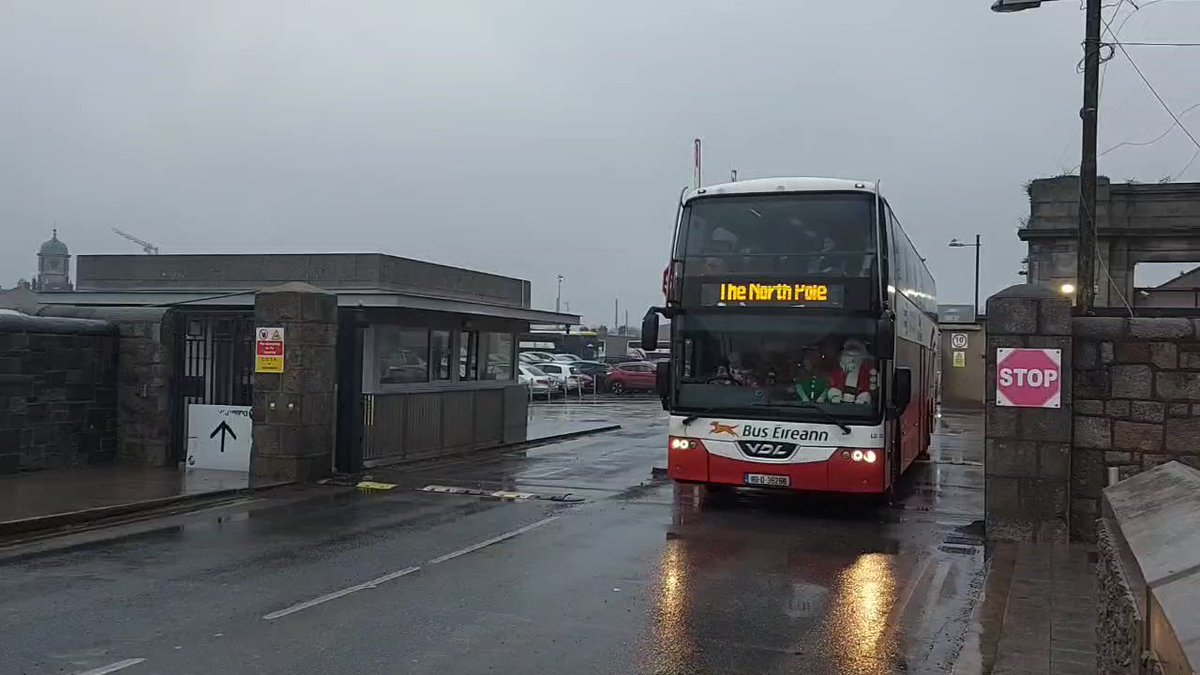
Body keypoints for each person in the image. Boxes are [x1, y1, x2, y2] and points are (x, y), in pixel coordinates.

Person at [827, 339, 879, 405]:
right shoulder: (839, 371)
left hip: (860, 394)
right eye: (849, 355)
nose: (852, 359)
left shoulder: (866, 371)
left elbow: (870, 385)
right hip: (841, 395)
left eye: (856, 356)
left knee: (865, 395)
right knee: (834, 391)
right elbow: (833, 382)